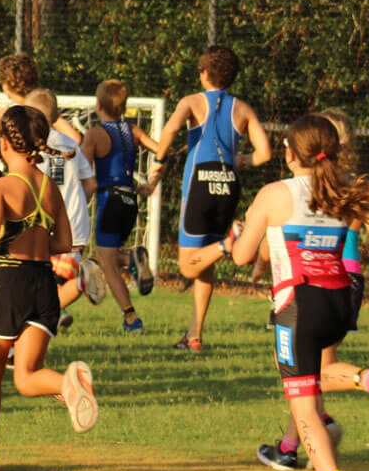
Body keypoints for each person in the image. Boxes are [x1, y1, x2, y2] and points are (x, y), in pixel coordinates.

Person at [229, 114, 369, 471]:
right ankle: (367, 383)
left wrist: (237, 235)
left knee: (304, 402)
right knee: (314, 384)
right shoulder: (344, 191)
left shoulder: (276, 193)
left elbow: (242, 256)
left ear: (290, 154)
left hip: (297, 306)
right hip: (338, 302)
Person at [0, 105, 99, 471]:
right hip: (44, 284)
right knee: (27, 374)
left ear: (3, 142)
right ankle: (67, 385)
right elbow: (64, 240)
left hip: (9, 281)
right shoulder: (51, 188)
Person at [152, 45, 272, 351]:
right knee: (205, 263)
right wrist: (239, 160)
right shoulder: (242, 108)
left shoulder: (191, 101)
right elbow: (265, 153)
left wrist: (159, 157)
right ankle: (195, 335)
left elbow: (170, 128)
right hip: (228, 185)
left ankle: (227, 243)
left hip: (200, 184)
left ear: (204, 74)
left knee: (187, 266)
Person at [80, 80, 164, 333]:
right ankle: (133, 259)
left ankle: (131, 318)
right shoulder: (134, 131)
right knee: (109, 255)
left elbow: (83, 172)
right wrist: (151, 183)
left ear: (98, 105)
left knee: (106, 262)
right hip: (130, 200)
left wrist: (75, 203)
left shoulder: (95, 134)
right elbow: (163, 152)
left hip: (110, 199)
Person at [25, 88, 104, 323]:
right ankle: (68, 298)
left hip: (47, 224)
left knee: (38, 282)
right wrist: (77, 206)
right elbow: (90, 184)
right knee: (56, 280)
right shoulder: (70, 144)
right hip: (75, 224)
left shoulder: (32, 147)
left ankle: (68, 296)